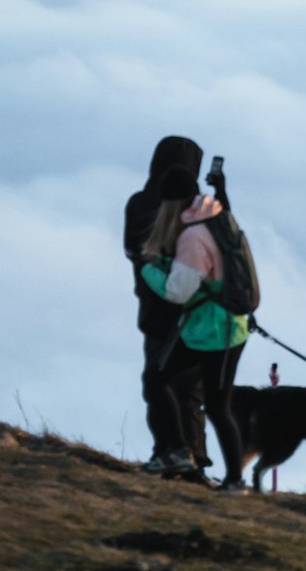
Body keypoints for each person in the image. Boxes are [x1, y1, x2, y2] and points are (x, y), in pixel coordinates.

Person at [141, 164, 250, 492]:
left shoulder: (192, 236)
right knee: (200, 397)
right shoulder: (216, 216)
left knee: (198, 397)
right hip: (228, 326)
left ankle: (223, 475)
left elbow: (178, 291)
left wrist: (148, 271)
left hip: (215, 332)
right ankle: (203, 464)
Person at [124, 136, 210, 479]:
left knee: (158, 384)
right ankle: (192, 458)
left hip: (158, 312)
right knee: (190, 391)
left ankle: (169, 452)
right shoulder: (201, 209)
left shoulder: (141, 203)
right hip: (202, 313)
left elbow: (136, 249)